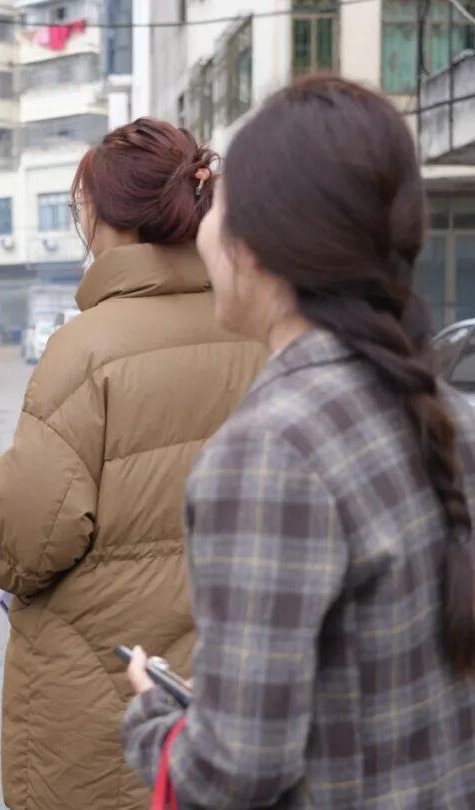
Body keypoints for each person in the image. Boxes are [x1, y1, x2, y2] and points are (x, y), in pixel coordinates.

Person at [123, 77, 475, 808]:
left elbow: (233, 770)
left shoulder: (273, 451)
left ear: (259, 245)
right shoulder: (446, 410)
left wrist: (153, 718)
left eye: (217, 207)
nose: (203, 231)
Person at [0, 119, 264, 809]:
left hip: (97, 673)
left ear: (111, 217)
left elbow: (31, 539)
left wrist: (0, 557)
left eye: (83, 205)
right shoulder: (260, 331)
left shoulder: (86, 348)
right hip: (231, 667)